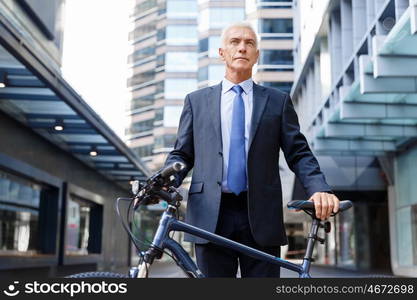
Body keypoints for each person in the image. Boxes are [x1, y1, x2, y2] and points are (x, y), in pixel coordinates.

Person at [163, 22, 340, 277]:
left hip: (260, 215)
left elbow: (298, 152)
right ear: (222, 52)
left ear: (257, 55)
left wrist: (319, 188)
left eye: (250, 43)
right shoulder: (196, 101)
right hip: (210, 216)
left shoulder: (277, 101)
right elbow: (182, 154)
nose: (242, 48)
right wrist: (165, 180)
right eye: (235, 42)